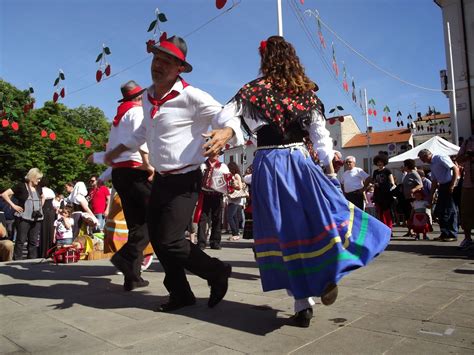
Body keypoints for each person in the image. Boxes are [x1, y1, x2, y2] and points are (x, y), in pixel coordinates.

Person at [222, 36, 391, 327]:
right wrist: (329, 172)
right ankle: (328, 274)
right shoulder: (305, 93)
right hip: (300, 162)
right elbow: (321, 138)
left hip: (268, 165)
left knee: (282, 233)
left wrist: (225, 134)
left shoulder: (253, 91)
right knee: (320, 218)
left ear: (265, 59)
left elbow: (229, 119)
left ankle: (303, 302)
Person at [105, 35, 242, 311]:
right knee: (156, 239)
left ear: (179, 68)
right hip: (160, 179)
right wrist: (117, 150)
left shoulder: (192, 96)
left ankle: (216, 272)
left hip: (185, 179)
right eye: (156, 59)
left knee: (171, 240)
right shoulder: (146, 96)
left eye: (166, 62)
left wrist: (226, 132)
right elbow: (145, 130)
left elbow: (226, 116)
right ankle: (180, 294)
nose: (158, 66)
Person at [96, 79, 154, 291]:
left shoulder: (118, 118)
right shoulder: (137, 112)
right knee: (155, 217)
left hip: (120, 173)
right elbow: (143, 138)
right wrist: (148, 165)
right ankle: (124, 257)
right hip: (135, 171)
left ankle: (133, 276)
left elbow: (112, 151)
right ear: (139, 97)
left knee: (136, 224)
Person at [1, 168, 44, 260]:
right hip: (23, 217)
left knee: (33, 241)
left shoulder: (39, 188)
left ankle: (32, 261)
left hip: (36, 218)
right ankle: (17, 260)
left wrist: (39, 207)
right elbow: (4, 194)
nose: (39, 180)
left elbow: (42, 198)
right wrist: (13, 206)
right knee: (21, 240)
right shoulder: (21, 186)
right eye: (38, 178)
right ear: (32, 177)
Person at [418, 148, 459, 242]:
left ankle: (452, 234)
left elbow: (455, 168)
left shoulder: (440, 158)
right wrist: (431, 194)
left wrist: (452, 185)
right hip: (442, 186)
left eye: (422, 158)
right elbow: (434, 181)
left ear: (426, 156)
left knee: (450, 209)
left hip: (449, 184)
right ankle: (444, 233)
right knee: (440, 211)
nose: (422, 161)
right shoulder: (432, 165)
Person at [196, 156, 227, 250]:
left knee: (217, 219)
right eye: (213, 153)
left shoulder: (223, 166)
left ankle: (215, 242)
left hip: (217, 195)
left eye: (217, 153)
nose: (215, 155)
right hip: (205, 195)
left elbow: (227, 178)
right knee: (202, 219)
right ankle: (201, 243)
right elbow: (197, 180)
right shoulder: (202, 165)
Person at [456, 126, 474, 250]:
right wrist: (468, 155)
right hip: (469, 183)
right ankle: (468, 239)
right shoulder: (468, 141)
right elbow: (458, 159)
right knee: (466, 212)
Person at [372, 154, 396, 231]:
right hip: (378, 194)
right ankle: (383, 229)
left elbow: (392, 183)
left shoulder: (387, 171)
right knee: (380, 212)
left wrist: (382, 185)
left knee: (387, 212)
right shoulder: (375, 172)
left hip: (386, 194)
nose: (379, 163)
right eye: (378, 162)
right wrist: (374, 184)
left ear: (384, 162)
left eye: (381, 162)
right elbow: (373, 181)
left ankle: (389, 228)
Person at [400, 159, 423, 238]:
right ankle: (409, 230)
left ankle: (414, 231)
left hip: (412, 198)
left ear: (407, 166)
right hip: (406, 197)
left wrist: (413, 189)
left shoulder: (414, 173)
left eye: (404, 165)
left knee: (411, 214)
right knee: (407, 215)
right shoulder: (407, 174)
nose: (403, 167)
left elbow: (420, 184)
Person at [226, 162, 245, 241]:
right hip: (232, 198)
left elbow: (240, 187)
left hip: (235, 199)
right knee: (234, 217)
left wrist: (232, 185)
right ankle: (236, 234)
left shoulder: (236, 175)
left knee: (229, 216)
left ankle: (235, 233)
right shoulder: (231, 176)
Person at [39, 178, 56, 258]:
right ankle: (51, 251)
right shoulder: (51, 190)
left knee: (43, 230)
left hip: (44, 210)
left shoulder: (41, 190)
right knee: (51, 230)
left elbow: (43, 199)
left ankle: (43, 252)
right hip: (51, 211)